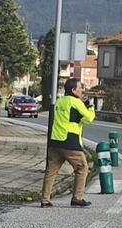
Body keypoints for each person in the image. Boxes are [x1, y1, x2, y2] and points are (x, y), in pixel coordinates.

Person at [41, 78, 95, 208]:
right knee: (82, 168)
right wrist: (90, 106)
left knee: (51, 171)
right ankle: (77, 197)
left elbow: (71, 117)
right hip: (70, 142)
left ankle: (45, 199)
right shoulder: (75, 102)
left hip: (55, 141)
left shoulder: (60, 101)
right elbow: (89, 118)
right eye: (80, 88)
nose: (82, 90)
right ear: (73, 90)